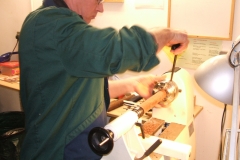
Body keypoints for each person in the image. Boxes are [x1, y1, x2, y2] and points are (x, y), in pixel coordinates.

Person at [18, 0, 189, 159]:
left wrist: (133, 84)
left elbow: (83, 88)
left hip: (80, 147)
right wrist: (168, 34)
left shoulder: (62, 27)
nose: (101, 9)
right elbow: (116, 50)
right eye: (98, 0)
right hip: (57, 152)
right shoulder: (51, 24)